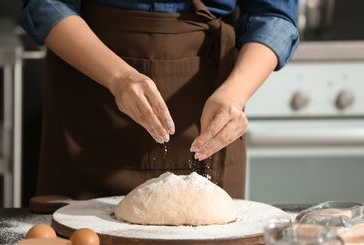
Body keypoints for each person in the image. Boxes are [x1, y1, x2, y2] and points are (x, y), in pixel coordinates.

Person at [19, 0, 299, 200]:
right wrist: (117, 77)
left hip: (207, 108)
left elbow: (274, 15)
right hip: (90, 96)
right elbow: (45, 4)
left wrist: (235, 93)